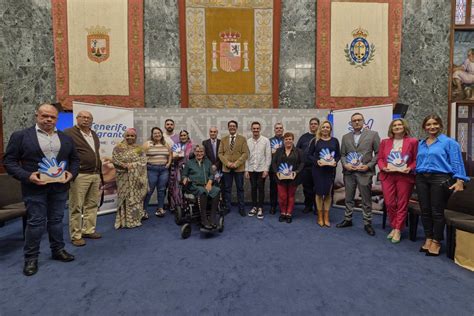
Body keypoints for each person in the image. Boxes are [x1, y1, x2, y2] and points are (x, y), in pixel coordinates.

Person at [3, 104, 80, 276]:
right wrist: (28, 176)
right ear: (37, 115)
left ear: (57, 119)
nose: (48, 119)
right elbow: (9, 162)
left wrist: (71, 174)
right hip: (34, 188)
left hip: (60, 187)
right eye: (44, 116)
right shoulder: (21, 136)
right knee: (36, 222)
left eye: (52, 117)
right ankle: (31, 258)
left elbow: (75, 160)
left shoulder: (66, 138)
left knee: (57, 220)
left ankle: (58, 250)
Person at [416, 114, 469, 256]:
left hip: (440, 179)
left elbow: (457, 162)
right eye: (428, 124)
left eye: (435, 124)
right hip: (421, 178)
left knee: (437, 211)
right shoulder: (421, 143)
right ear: (424, 127)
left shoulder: (449, 143)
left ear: (440, 125)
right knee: (425, 210)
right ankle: (428, 238)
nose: (432, 127)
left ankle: (437, 241)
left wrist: (460, 180)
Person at [337, 112, 380, 236]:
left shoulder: (373, 135)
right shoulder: (345, 137)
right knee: (349, 198)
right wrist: (345, 164)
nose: (356, 122)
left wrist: (368, 166)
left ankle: (367, 223)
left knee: (366, 200)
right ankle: (348, 219)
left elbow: (378, 154)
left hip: (364, 172)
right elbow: (343, 155)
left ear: (363, 121)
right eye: (354, 120)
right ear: (351, 123)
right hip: (349, 172)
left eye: (359, 120)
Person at [64, 111, 102, 247]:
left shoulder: (94, 134)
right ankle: (76, 235)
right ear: (77, 118)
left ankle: (88, 230)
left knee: (92, 204)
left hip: (95, 174)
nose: (86, 120)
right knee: (76, 206)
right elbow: (63, 152)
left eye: (89, 118)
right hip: (80, 175)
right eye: (83, 117)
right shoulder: (68, 133)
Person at [377, 119, 418, 243]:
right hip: (387, 176)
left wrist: (410, 168)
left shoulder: (413, 141)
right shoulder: (385, 142)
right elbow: (380, 158)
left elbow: (416, 159)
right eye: (394, 125)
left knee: (402, 203)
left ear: (404, 127)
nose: (397, 127)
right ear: (391, 128)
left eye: (400, 124)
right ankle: (394, 225)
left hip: (404, 177)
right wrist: (383, 167)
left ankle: (397, 229)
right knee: (389, 203)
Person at [112, 128, 148, 229]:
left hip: (136, 179)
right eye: (128, 135)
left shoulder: (139, 149)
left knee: (135, 199)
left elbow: (143, 161)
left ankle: (135, 219)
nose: (130, 137)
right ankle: (124, 221)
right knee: (125, 198)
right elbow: (115, 159)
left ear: (135, 137)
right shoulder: (118, 147)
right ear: (125, 136)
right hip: (123, 178)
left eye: (132, 136)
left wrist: (132, 166)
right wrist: (124, 165)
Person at [307, 120, 340, 227]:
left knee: (328, 193)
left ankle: (326, 216)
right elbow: (309, 155)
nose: (325, 129)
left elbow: (338, 155)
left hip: (329, 171)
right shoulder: (315, 141)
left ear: (330, 129)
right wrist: (317, 161)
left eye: (327, 127)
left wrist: (335, 161)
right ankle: (320, 216)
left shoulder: (335, 141)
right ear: (320, 129)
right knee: (319, 193)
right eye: (323, 127)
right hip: (318, 171)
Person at [182, 145, 221, 230]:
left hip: (207, 185)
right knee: (202, 191)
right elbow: (184, 174)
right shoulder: (189, 163)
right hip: (194, 186)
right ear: (194, 153)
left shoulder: (208, 162)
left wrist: (210, 182)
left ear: (204, 153)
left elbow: (211, 174)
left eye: (201, 152)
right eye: (197, 152)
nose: (199, 153)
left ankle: (212, 218)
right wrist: (185, 178)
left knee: (217, 190)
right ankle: (204, 220)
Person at [218, 120, 249, 216]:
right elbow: (220, 153)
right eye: (230, 126)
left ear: (236, 127)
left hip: (239, 168)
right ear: (228, 128)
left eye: (234, 126)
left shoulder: (242, 139)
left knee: (240, 188)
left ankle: (241, 208)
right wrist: (227, 163)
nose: (232, 127)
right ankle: (227, 207)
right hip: (226, 168)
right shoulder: (223, 139)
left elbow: (245, 153)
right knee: (227, 189)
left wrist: (236, 163)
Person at [272, 132, 304, 223]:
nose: (288, 141)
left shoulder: (299, 151)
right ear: (284, 140)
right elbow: (274, 163)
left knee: (290, 196)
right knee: (282, 196)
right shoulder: (278, 151)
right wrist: (276, 172)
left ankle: (289, 213)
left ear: (293, 140)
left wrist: (296, 172)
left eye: (290, 139)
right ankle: (283, 212)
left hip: (293, 178)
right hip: (280, 178)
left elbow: (302, 163)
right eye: (286, 139)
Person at [143, 127, 171, 218]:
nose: (157, 135)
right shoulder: (148, 143)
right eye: (155, 133)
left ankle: (160, 209)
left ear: (161, 134)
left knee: (162, 190)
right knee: (149, 190)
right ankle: (143, 210)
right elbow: (141, 155)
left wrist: (168, 163)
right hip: (151, 170)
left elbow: (170, 154)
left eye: (159, 133)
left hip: (164, 170)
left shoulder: (165, 144)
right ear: (152, 134)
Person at [245, 121, 271, 219]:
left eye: (257, 128)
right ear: (251, 129)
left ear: (260, 129)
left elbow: (268, 156)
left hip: (261, 169)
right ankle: (254, 207)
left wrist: (266, 169)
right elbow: (246, 157)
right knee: (253, 188)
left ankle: (260, 208)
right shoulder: (248, 141)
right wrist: (246, 170)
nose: (256, 130)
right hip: (251, 169)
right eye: (254, 128)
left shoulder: (266, 140)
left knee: (260, 188)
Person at [296, 117, 320, 214]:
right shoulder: (303, 137)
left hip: (318, 168)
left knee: (317, 188)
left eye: (315, 124)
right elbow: (297, 150)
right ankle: (308, 206)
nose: (313, 125)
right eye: (311, 124)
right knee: (307, 188)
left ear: (318, 125)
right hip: (305, 168)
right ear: (309, 125)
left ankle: (317, 207)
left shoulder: (321, 137)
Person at [168, 130, 193, 212]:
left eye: (184, 135)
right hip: (178, 169)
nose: (183, 137)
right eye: (181, 135)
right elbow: (172, 158)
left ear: (187, 136)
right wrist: (175, 157)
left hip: (189, 170)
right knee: (178, 187)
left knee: (188, 186)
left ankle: (188, 205)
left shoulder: (192, 145)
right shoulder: (176, 146)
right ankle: (178, 205)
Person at [269, 122, 284, 214]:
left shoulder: (286, 140)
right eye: (277, 128)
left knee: (283, 190)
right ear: (274, 130)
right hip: (273, 169)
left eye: (280, 128)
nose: (279, 129)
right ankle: (273, 206)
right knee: (273, 189)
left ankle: (283, 207)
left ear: (283, 130)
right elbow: (266, 154)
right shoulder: (269, 141)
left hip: (284, 170)